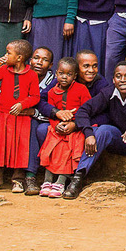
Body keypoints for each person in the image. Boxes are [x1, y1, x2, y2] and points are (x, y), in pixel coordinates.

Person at [72, 61, 126, 201]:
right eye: (118, 76)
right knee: (103, 130)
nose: (123, 80)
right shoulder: (108, 92)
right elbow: (83, 111)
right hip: (118, 139)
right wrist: (88, 134)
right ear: (113, 80)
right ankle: (79, 177)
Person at [0, 40, 40, 195]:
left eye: (8, 53)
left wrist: (22, 104)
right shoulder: (3, 70)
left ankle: (18, 181)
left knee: (20, 148)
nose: (5, 56)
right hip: (3, 115)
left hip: (21, 117)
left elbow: (35, 97)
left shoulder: (32, 75)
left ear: (19, 58)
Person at [36, 56, 92, 198]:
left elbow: (87, 110)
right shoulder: (51, 92)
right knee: (51, 147)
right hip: (57, 128)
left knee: (67, 150)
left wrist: (73, 124)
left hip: (74, 130)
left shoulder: (81, 89)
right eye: (61, 73)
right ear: (56, 73)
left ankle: (61, 181)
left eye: (68, 74)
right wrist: (57, 126)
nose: (64, 77)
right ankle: (47, 181)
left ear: (74, 76)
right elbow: (52, 114)